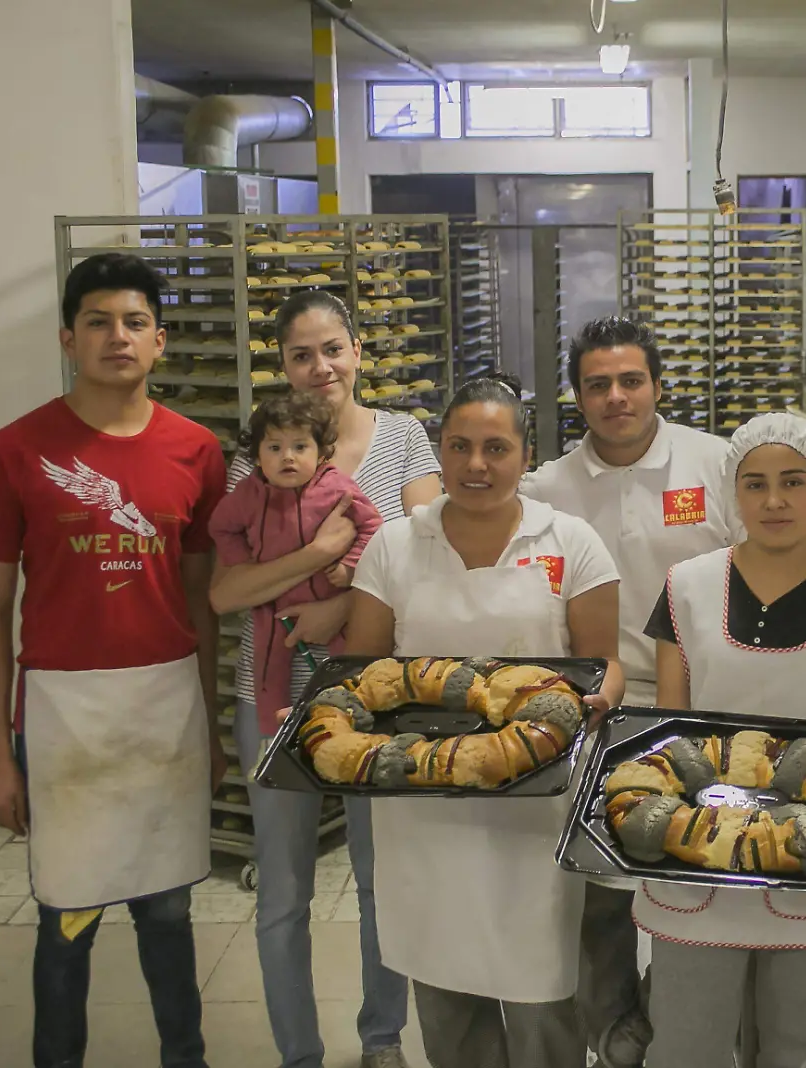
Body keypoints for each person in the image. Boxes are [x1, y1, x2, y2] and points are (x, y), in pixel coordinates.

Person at [0, 252, 225, 1068]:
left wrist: (208, 726)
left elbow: (202, 601)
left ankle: (186, 1056)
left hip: (164, 705)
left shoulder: (197, 451)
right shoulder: (14, 452)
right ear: (68, 339)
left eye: (136, 322)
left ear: (160, 341)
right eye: (100, 322)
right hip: (62, 714)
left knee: (169, 915)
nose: (119, 337)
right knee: (66, 921)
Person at [342, 374, 624, 1068]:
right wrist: (325, 719)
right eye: (460, 445)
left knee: (541, 983)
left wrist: (599, 699)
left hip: (535, 798)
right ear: (438, 451)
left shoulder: (572, 541)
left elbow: (604, 664)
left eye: (495, 447)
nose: (475, 464)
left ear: (525, 456)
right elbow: (363, 673)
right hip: (423, 802)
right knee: (445, 983)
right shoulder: (397, 547)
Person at [208, 289, 442, 1068]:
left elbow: (427, 559)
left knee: (382, 883)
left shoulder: (404, 439)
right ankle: (297, 1055)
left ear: (358, 352)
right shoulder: (261, 450)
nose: (321, 367)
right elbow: (225, 592)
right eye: (302, 354)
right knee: (282, 895)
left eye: (333, 348)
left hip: (378, 697)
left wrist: (340, 598)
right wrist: (314, 559)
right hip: (268, 696)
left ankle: (381, 1039)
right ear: (281, 365)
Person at [636, 411, 806, 1068]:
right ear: (734, 492)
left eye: (792, 482)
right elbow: (673, 730)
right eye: (754, 484)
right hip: (695, 860)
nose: (774, 501)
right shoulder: (686, 586)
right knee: (686, 1048)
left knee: (799, 1050)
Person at [522, 315, 737, 1067]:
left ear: (656, 384)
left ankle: (684, 1024)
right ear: (577, 395)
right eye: (598, 384)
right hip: (596, 708)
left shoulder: (717, 465)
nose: (616, 397)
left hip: (707, 708)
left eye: (631, 381)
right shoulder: (548, 488)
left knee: (699, 877)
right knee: (603, 891)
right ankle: (612, 1034)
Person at [208, 390, 383, 741]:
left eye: (300, 447)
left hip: (333, 600)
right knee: (268, 670)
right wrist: (242, 561)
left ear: (321, 454)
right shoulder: (248, 495)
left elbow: (374, 528)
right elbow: (220, 527)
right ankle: (276, 735)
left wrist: (349, 566)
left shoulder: (337, 488)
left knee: (349, 668)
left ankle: (350, 718)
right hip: (272, 608)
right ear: (257, 456)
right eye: (274, 448)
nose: (287, 457)